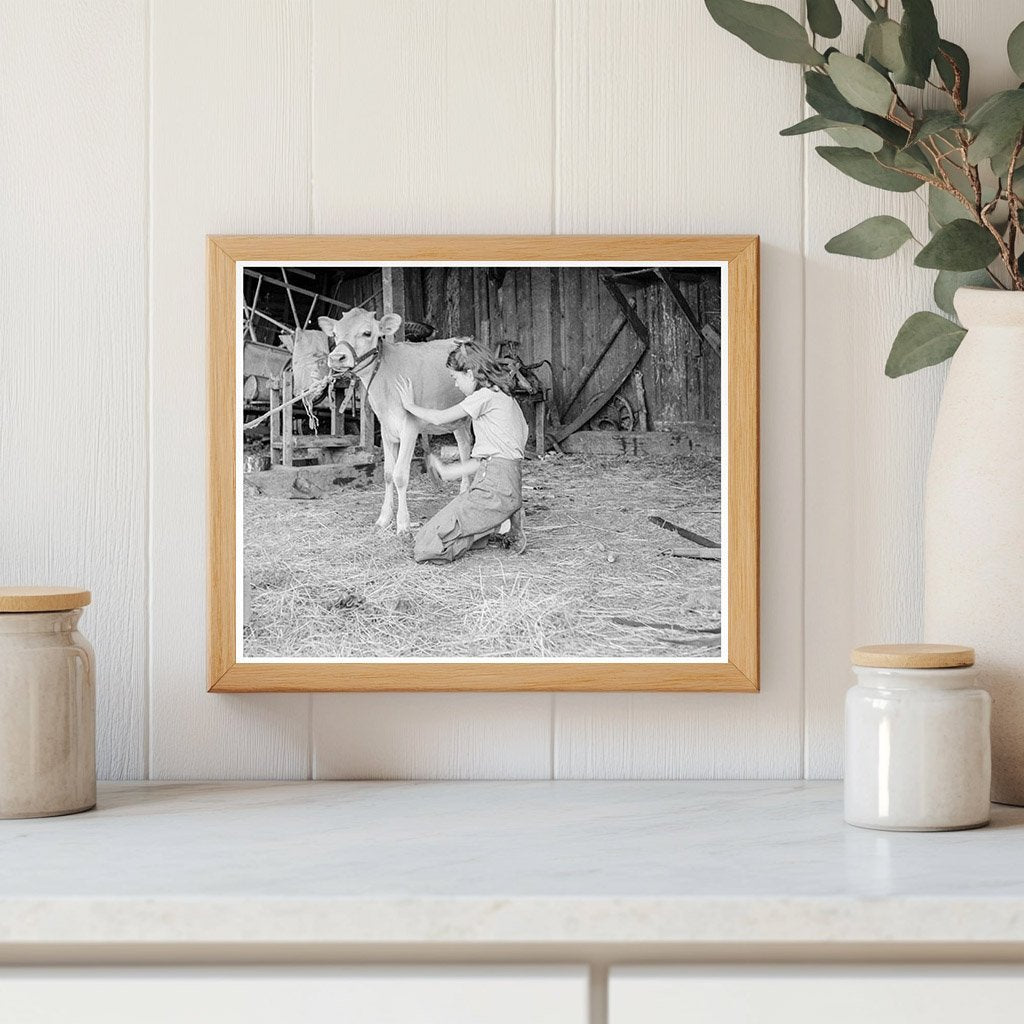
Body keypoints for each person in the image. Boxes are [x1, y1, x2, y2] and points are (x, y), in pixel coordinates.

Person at [394, 340, 529, 563]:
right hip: (503, 485)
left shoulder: (484, 396)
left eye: (455, 378)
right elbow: (494, 460)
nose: (455, 385)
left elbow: (439, 418)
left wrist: (409, 405)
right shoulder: (506, 398)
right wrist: (448, 472)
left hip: (494, 490)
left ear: (469, 373)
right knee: (434, 532)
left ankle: (499, 522)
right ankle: (503, 523)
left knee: (426, 546)